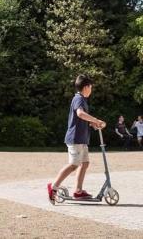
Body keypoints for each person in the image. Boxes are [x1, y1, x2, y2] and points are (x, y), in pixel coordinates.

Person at [48, 75, 105, 203]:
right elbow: (79, 113)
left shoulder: (82, 100)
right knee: (74, 164)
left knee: (85, 163)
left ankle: (78, 191)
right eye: (91, 87)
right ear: (86, 87)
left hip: (82, 138)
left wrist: (92, 123)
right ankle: (53, 187)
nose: (91, 89)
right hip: (75, 138)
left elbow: (80, 118)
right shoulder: (78, 98)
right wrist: (95, 120)